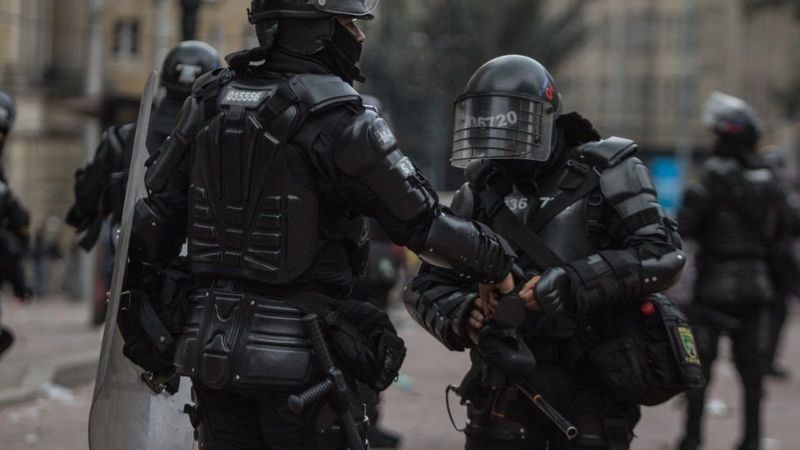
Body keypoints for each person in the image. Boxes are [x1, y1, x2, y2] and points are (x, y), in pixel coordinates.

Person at [124, 1, 517, 449]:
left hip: (209, 353)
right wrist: (498, 263)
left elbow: (152, 224)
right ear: (311, 29)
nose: (359, 36)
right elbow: (423, 223)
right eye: (348, 23)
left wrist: (151, 323)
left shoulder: (207, 100)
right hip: (301, 364)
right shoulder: (340, 116)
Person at [404, 55, 686, 450]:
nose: (503, 140)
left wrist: (574, 281)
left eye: (512, 124)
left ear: (544, 119)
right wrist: (463, 312)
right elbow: (424, 287)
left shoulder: (609, 173)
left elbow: (664, 256)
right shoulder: (479, 192)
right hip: (504, 385)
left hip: (593, 382)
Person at [677, 92, 792, 450]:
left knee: (700, 370)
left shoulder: (710, 178)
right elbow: (787, 228)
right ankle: (751, 439)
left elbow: (685, 227)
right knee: (752, 374)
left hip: (713, 285)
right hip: (757, 285)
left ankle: (692, 438)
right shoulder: (771, 181)